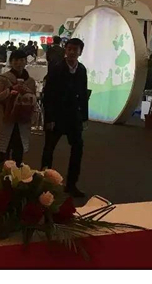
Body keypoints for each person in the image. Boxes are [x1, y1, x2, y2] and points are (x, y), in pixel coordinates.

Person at [41, 38, 88, 198]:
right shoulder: (56, 68)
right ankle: (43, 182)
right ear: (65, 50)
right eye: (69, 49)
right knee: (49, 149)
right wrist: (49, 119)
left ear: (80, 52)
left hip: (74, 117)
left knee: (78, 148)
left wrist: (84, 117)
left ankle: (71, 184)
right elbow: (48, 95)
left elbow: (83, 93)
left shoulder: (81, 69)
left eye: (76, 49)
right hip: (56, 116)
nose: (72, 52)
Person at [0, 49, 37, 166]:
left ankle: (16, 176)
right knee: (3, 154)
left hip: (22, 120)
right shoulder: (2, 79)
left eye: (22, 60)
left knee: (18, 155)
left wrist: (27, 92)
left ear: (26, 62)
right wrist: (10, 90)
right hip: (5, 120)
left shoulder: (30, 81)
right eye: (16, 60)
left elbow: (34, 100)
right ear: (11, 62)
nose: (19, 63)